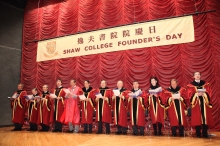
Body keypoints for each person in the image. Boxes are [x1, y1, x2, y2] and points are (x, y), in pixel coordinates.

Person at [187, 72, 214, 138]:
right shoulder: (190, 86)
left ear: (200, 76)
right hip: (196, 104)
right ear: (193, 76)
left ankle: (205, 133)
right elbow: (189, 95)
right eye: (196, 74)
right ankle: (198, 133)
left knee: (205, 118)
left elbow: (209, 93)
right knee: (197, 118)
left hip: (205, 104)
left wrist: (204, 94)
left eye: (198, 74)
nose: (197, 76)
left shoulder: (206, 84)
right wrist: (196, 95)